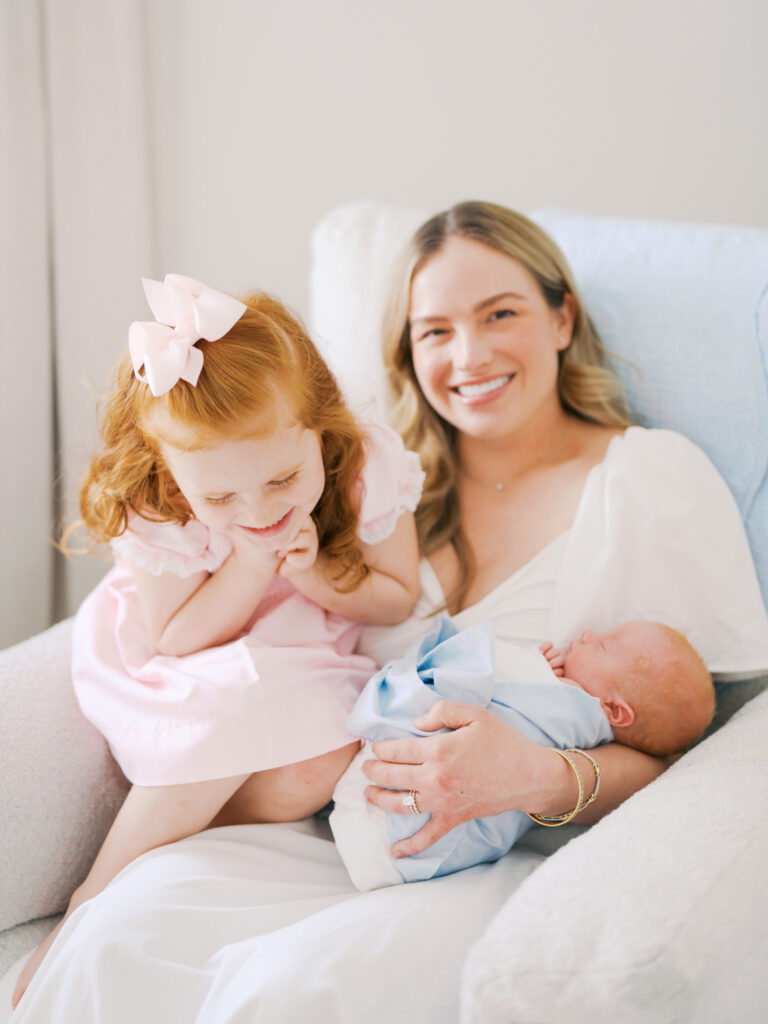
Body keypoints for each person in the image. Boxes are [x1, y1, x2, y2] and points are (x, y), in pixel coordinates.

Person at [7, 204, 768, 1023]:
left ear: (561, 317)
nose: (468, 354)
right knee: (121, 936)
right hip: (320, 819)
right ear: (407, 353)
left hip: (485, 849)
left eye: (500, 314)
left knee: (293, 991)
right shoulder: (369, 486)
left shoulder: (648, 478)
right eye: (433, 330)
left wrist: (539, 775)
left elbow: (719, 738)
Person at [10, 274, 423, 1009]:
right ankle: (95, 892)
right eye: (221, 499)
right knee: (231, 704)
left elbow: (396, 597)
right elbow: (175, 636)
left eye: (283, 479)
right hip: (186, 652)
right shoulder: (156, 502)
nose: (259, 509)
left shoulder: (362, 465)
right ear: (172, 476)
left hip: (305, 644)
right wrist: (252, 561)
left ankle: (182, 820)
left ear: (319, 430)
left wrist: (319, 575)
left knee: (315, 769)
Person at [330, 617, 715, 890]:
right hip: (409, 860)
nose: (585, 634)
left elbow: (493, 688)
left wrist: (533, 668)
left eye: (603, 644)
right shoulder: (580, 725)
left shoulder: (571, 710)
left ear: (614, 710)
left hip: (402, 823)